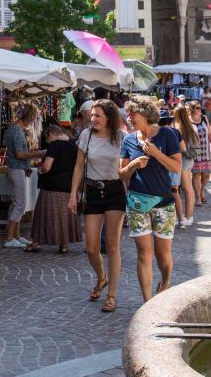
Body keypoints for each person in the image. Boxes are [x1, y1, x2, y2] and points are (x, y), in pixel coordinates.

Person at [120, 96, 182, 303]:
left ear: (146, 114)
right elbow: (121, 174)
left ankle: (165, 281)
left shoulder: (167, 135)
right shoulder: (128, 140)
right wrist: (133, 165)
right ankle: (147, 302)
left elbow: (176, 167)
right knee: (143, 253)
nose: (129, 117)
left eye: (132, 114)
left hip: (164, 202)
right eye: (128, 113)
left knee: (163, 256)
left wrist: (155, 153)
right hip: (137, 202)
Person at [69, 99, 126, 314]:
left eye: (97, 116)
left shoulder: (121, 137)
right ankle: (101, 277)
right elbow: (78, 166)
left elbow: (127, 166)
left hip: (114, 191)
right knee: (91, 247)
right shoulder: (87, 135)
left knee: (112, 246)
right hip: (93, 191)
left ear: (109, 117)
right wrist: (73, 194)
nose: (92, 120)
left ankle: (111, 296)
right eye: (92, 115)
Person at [27, 125, 82, 254]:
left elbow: (47, 167)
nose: (47, 141)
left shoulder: (54, 145)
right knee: (64, 217)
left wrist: (40, 171)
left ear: (52, 134)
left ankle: (36, 242)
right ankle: (64, 245)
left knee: (44, 215)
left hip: (51, 187)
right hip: (69, 187)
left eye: (47, 138)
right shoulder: (74, 145)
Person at [3, 104, 46, 248]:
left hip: (18, 168)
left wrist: (27, 166)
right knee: (20, 203)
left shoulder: (15, 129)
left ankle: (16, 235)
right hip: (16, 169)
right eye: (33, 117)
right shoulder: (16, 131)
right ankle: (10, 238)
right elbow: (20, 154)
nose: (34, 120)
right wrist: (38, 153)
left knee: (19, 203)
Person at [158, 110, 184, 226]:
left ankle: (163, 220)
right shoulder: (176, 132)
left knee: (162, 192)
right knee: (175, 192)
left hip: (162, 165)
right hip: (174, 164)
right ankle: (181, 220)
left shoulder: (157, 132)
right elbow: (183, 148)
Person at [174, 105, 197, 227]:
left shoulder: (178, 128)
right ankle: (189, 215)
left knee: (186, 189)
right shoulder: (191, 126)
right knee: (189, 189)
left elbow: (179, 146)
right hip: (190, 157)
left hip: (182, 158)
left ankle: (187, 216)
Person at [190, 101, 211, 205]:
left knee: (207, 175)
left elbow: (209, 133)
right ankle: (197, 197)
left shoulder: (204, 118)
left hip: (206, 152)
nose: (200, 110)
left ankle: (200, 191)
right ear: (192, 109)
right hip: (194, 152)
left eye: (200, 108)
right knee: (196, 175)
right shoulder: (188, 120)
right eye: (197, 108)